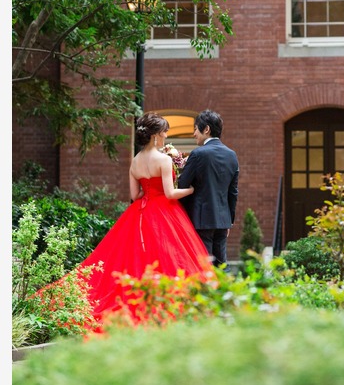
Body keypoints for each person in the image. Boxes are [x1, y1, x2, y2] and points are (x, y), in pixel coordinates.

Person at [64, 112, 213, 328]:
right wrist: (190, 189)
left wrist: (150, 193)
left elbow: (135, 196)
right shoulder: (163, 159)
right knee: (169, 256)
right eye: (164, 133)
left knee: (137, 257)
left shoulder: (135, 161)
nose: (165, 136)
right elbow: (171, 193)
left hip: (141, 212)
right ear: (155, 136)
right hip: (165, 211)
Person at [176, 109, 240, 265]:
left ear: (206, 129)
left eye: (196, 129)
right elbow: (233, 192)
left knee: (202, 265)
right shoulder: (232, 155)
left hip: (200, 220)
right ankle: (224, 290)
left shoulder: (198, 154)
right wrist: (229, 220)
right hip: (222, 220)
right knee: (221, 265)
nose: (194, 134)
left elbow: (182, 184)